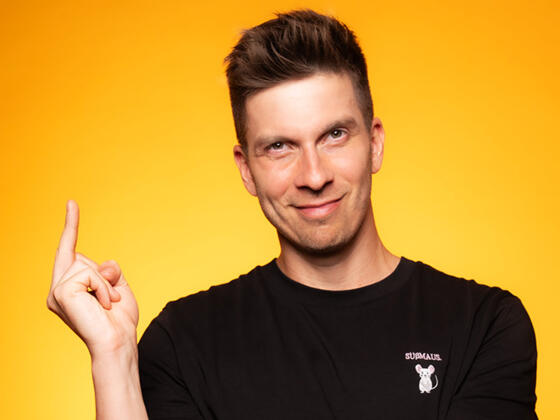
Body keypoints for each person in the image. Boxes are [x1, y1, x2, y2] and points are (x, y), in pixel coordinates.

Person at [47, 9, 538, 420]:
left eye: (335, 135)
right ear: (246, 169)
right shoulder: (183, 342)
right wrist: (114, 359)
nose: (314, 175)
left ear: (374, 143)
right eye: (280, 146)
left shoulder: (483, 326)